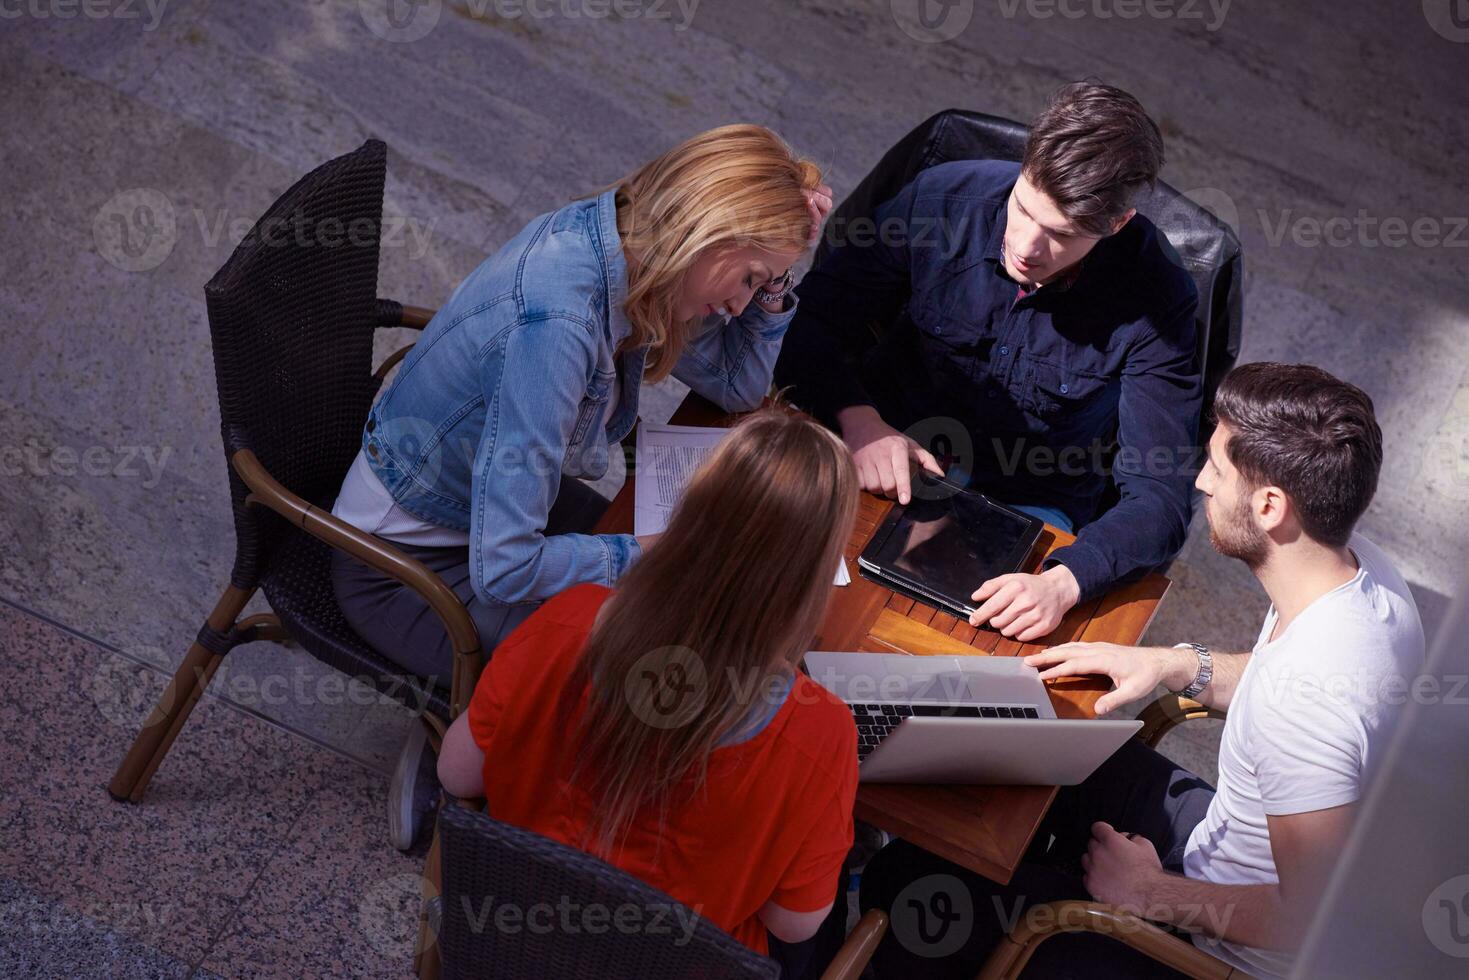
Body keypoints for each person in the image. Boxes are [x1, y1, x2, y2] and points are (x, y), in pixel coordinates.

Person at [327, 125, 833, 845]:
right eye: (750, 278)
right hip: (406, 575)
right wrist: (652, 553)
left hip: (473, 514)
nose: (742, 303)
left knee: (693, 607)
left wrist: (779, 280)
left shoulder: (626, 240)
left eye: (764, 282)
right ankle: (461, 745)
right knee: (659, 661)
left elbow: (735, 384)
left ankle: (478, 722)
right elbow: (503, 569)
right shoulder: (558, 327)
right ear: (707, 236)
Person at [858, 362, 1425, 979]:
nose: (1201, 483)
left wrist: (1149, 893)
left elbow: (1314, 919)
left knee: (906, 884)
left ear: (1269, 506)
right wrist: (1170, 663)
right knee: (1050, 733)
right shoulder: (1361, 575)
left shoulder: (1308, 702)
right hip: (1225, 843)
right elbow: (1278, 683)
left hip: (1213, 952)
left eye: (1216, 467)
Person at [437, 409, 861, 979]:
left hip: (512, 945)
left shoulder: (568, 623)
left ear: (687, 521)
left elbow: (457, 775)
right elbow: (794, 924)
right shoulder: (821, 733)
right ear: (809, 578)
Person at [775, 82, 1201, 643]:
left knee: (940, 671)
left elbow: (1161, 492)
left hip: (1021, 501)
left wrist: (1068, 581)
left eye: (1063, 236)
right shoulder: (942, 201)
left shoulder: (1158, 298)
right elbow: (810, 319)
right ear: (1024, 165)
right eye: (1023, 208)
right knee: (776, 600)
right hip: (883, 449)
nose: (1026, 246)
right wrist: (859, 419)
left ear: (1116, 225)